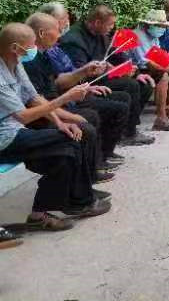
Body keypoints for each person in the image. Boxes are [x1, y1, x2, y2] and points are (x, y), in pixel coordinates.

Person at [0, 23, 110, 231]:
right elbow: (22, 116)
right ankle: (79, 201)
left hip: (15, 131)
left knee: (67, 147)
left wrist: (60, 123)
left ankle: (43, 213)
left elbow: (33, 98)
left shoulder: (15, 63)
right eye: (30, 46)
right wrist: (65, 98)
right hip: (5, 138)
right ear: (14, 48)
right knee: (70, 144)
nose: (33, 49)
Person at [24, 12, 128, 179]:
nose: (60, 35)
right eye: (57, 29)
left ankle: (92, 169)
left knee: (92, 116)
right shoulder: (26, 62)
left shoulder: (43, 55)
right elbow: (35, 101)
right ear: (42, 33)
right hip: (38, 117)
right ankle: (83, 182)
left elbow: (57, 82)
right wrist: (65, 117)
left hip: (55, 104)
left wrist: (83, 73)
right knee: (85, 124)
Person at [60, 5, 155, 146]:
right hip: (87, 82)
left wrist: (133, 72)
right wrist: (113, 71)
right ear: (97, 22)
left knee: (143, 83)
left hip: (103, 75)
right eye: (110, 24)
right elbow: (82, 71)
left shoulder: (101, 34)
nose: (112, 27)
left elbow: (115, 55)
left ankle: (127, 128)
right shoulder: (74, 39)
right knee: (131, 86)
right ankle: (128, 133)